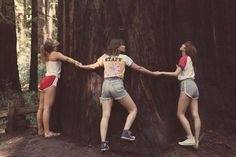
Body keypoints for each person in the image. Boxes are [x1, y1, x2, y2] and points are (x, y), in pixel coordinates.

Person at [76, 38, 157, 152]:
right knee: (133, 109)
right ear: (118, 46)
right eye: (123, 45)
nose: (125, 46)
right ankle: (126, 131)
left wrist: (81, 66)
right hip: (117, 85)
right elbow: (138, 68)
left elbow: (93, 66)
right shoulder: (124, 58)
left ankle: (103, 143)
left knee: (105, 115)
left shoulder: (105, 57)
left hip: (106, 85)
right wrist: (152, 73)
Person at [155, 41, 201, 149]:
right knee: (195, 114)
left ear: (185, 48)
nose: (181, 45)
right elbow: (182, 72)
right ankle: (196, 141)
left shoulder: (184, 58)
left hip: (186, 86)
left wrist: (161, 72)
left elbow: (176, 74)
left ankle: (190, 137)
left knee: (180, 113)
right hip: (194, 86)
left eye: (183, 45)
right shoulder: (190, 59)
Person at [37, 38, 81, 138]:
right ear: (52, 46)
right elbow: (66, 58)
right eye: (55, 44)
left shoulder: (47, 55)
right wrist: (76, 62)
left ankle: (40, 130)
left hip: (44, 81)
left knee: (41, 107)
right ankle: (47, 132)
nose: (57, 44)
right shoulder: (55, 54)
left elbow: (57, 43)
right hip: (51, 80)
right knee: (47, 108)